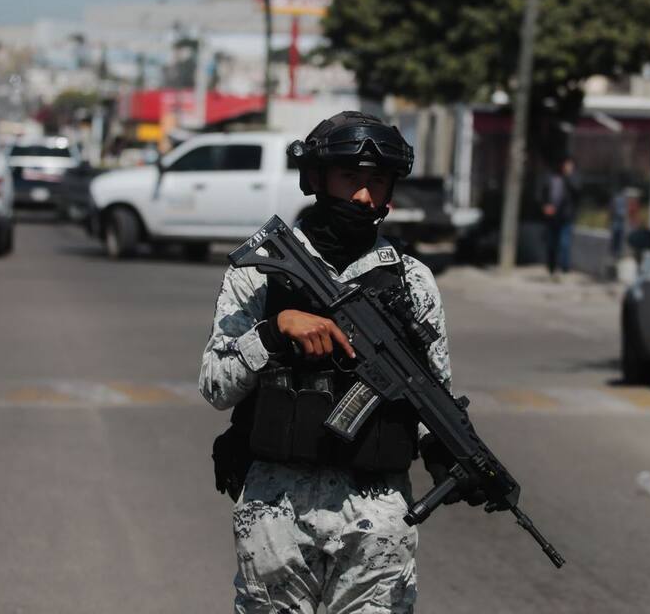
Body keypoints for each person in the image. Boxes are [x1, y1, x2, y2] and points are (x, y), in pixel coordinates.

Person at [200, 111, 471, 613]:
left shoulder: (413, 282)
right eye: (351, 178)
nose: (364, 197)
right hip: (274, 509)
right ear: (316, 179)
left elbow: (435, 392)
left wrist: (453, 456)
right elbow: (215, 385)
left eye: (377, 182)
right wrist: (275, 334)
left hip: (377, 516)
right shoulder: (263, 271)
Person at [538, 156, 580, 276]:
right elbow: (543, 195)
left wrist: (569, 176)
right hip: (552, 217)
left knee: (564, 243)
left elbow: (577, 191)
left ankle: (564, 269)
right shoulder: (551, 178)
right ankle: (551, 268)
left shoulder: (573, 178)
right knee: (551, 244)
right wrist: (545, 207)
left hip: (566, 217)